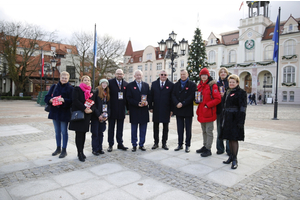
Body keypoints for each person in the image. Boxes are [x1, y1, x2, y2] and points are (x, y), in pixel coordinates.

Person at [220, 74, 247, 169]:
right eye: (230, 82)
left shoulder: (241, 92)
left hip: (235, 119)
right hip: (227, 118)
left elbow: (242, 108)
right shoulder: (227, 91)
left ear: (237, 83)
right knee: (229, 138)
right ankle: (231, 156)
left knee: (234, 139)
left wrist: (241, 121)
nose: (231, 83)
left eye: (233, 82)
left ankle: (235, 159)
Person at [44, 71, 73, 158]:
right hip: (55, 112)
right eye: (62, 78)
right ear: (60, 78)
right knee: (57, 132)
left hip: (64, 113)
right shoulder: (54, 86)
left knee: (64, 132)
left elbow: (72, 101)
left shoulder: (71, 88)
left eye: (66, 78)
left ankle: (64, 149)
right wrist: (50, 100)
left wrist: (64, 100)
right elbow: (47, 97)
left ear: (68, 79)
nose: (64, 79)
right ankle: (58, 148)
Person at [196, 68, 221, 157]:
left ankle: (208, 149)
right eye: (202, 75)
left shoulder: (212, 86)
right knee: (204, 131)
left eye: (205, 75)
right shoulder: (199, 85)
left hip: (209, 112)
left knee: (209, 131)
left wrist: (208, 105)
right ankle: (205, 145)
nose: (204, 76)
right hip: (202, 112)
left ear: (208, 76)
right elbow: (198, 98)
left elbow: (218, 99)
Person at [69, 75, 94, 162]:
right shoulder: (77, 89)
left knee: (83, 135)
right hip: (79, 114)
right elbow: (75, 100)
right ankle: (79, 152)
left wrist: (90, 110)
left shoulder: (90, 91)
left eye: (88, 80)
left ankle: (82, 151)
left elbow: (92, 102)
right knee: (78, 135)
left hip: (86, 115)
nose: (87, 81)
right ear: (81, 81)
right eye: (85, 80)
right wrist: (84, 108)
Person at [172, 69, 196, 153]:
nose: (183, 76)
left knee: (188, 128)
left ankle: (187, 145)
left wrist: (183, 103)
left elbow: (192, 96)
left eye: (184, 74)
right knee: (180, 128)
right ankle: (180, 144)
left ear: (187, 74)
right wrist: (177, 103)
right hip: (178, 109)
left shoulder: (192, 84)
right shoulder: (176, 84)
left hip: (187, 109)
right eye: (181, 74)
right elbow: (173, 95)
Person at [149, 70, 174, 150]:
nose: (163, 76)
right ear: (159, 75)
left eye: (165, 74)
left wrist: (172, 110)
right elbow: (151, 96)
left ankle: (164, 143)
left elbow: (172, 98)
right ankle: (156, 143)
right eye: (162, 74)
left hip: (166, 109)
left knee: (165, 127)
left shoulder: (171, 85)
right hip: (156, 108)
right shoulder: (154, 84)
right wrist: (150, 107)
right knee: (155, 127)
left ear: (167, 75)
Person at [126, 70, 150, 152]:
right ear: (134, 76)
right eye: (137, 75)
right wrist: (137, 103)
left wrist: (147, 102)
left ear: (142, 76)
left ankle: (141, 144)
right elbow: (128, 98)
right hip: (134, 110)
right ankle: (134, 144)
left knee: (143, 129)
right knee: (134, 129)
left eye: (140, 75)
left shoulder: (146, 85)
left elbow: (150, 97)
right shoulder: (130, 86)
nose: (138, 76)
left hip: (144, 110)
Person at [107, 69, 128, 152]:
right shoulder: (110, 83)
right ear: (115, 74)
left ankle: (120, 143)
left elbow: (127, 98)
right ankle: (110, 144)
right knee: (111, 128)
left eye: (121, 74)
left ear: (123, 75)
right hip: (112, 109)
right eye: (118, 74)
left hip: (121, 110)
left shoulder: (126, 84)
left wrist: (128, 109)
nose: (119, 75)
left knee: (120, 128)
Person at [90, 78, 110, 156]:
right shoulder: (96, 92)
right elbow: (93, 105)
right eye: (103, 83)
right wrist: (98, 115)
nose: (104, 85)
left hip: (103, 116)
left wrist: (106, 114)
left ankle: (100, 148)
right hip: (96, 116)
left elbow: (108, 105)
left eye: (106, 83)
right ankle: (94, 149)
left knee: (101, 133)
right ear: (100, 84)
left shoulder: (106, 93)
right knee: (95, 133)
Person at [215, 67, 230, 155]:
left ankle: (229, 149)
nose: (223, 73)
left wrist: (225, 95)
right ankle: (220, 148)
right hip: (219, 109)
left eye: (224, 72)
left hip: (228, 110)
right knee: (219, 129)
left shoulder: (230, 82)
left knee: (228, 129)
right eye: (221, 72)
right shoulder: (217, 84)